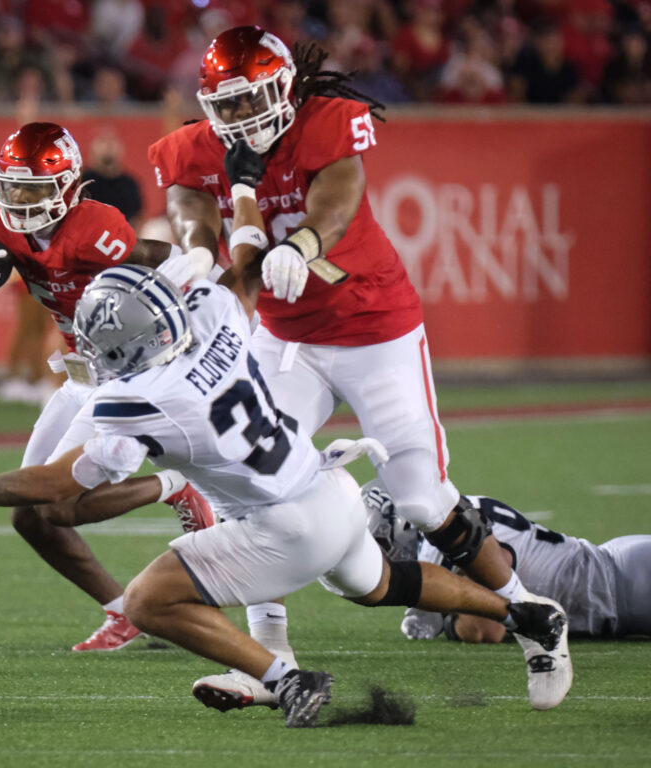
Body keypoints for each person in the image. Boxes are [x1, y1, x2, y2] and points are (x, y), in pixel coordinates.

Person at [0, 185, 572, 720]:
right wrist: (242, 192)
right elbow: (224, 268)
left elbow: (54, 487)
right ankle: (525, 613)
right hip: (327, 488)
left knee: (149, 601)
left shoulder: (134, 400)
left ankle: (287, 679)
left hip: (281, 527)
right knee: (385, 584)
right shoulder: (216, 321)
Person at [146, 25, 543, 706]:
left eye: (251, 101)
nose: (240, 117)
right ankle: (268, 659)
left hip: (373, 327)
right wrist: (194, 256)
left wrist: (302, 242)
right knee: (247, 479)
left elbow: (338, 197)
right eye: (228, 105)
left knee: (421, 497)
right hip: (287, 339)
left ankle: (529, 610)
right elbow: (194, 225)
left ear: (283, 91)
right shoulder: (190, 151)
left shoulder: (328, 123)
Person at [0, 121, 215, 651]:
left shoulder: (94, 228)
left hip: (131, 373)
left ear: (66, 186)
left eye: (33, 188)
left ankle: (175, 484)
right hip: (82, 371)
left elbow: (154, 260)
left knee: (55, 502)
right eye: (11, 186)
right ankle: (125, 611)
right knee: (28, 518)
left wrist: (197, 289)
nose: (19, 199)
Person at [364, 483, 651, 642]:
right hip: (619, 571)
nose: (379, 555)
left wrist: (450, 625)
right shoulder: (450, 514)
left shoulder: (442, 540)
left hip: (625, 588)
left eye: (379, 543)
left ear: (399, 524)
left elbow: (487, 629)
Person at [80, 128, 143, 230]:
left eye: (112, 142)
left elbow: (137, 217)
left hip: (122, 237)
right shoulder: (83, 181)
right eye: (103, 141)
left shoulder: (130, 183)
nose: (108, 146)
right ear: (93, 148)